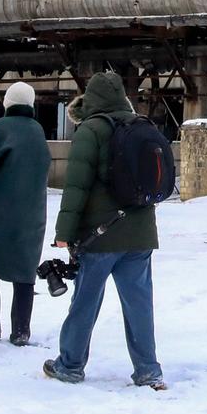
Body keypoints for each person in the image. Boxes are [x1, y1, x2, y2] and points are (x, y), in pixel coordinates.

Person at [43, 70, 166, 390]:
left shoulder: (91, 130)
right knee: (139, 305)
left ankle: (70, 365)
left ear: (91, 98)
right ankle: (148, 370)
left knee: (85, 303)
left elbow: (76, 187)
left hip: (100, 235)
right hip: (140, 235)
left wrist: (64, 232)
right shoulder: (141, 126)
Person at [0, 81, 50, 346]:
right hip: (33, 214)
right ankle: (21, 330)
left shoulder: (2, 127)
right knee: (25, 272)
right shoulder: (38, 130)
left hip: (0, 211)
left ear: (7, 102)